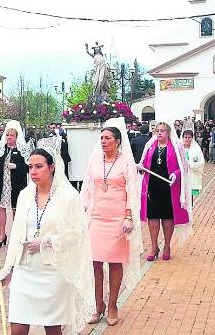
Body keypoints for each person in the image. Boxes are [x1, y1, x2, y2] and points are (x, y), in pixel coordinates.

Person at [0, 139, 95, 335]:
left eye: (39, 166)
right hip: (25, 270)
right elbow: (16, 234)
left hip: (53, 272)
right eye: (30, 167)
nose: (33, 171)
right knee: (16, 329)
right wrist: (8, 268)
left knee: (52, 329)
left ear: (52, 167)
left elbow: (77, 234)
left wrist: (46, 241)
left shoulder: (68, 197)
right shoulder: (24, 195)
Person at [81, 120, 143, 326]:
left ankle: (113, 305)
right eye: (101, 138)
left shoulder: (126, 162)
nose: (103, 141)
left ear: (117, 141)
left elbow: (132, 191)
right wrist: (83, 208)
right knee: (95, 262)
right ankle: (98, 305)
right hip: (97, 217)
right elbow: (88, 186)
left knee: (115, 262)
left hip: (118, 218)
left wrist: (128, 216)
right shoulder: (95, 161)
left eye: (107, 138)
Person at [138, 121, 192, 261]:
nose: (159, 133)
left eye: (162, 131)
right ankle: (154, 246)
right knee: (153, 217)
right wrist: (140, 167)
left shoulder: (176, 147)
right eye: (157, 130)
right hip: (152, 187)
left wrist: (176, 174)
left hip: (169, 187)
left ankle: (167, 245)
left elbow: (184, 167)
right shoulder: (149, 146)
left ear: (168, 133)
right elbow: (144, 163)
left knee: (168, 217)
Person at [0, 121, 31, 248]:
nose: (9, 137)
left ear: (17, 137)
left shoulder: (22, 150)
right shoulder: (2, 150)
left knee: (17, 210)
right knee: (1, 208)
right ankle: (2, 235)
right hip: (3, 184)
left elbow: (29, 167)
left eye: (11, 135)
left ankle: (18, 235)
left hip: (17, 184)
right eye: (7, 135)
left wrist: (16, 166)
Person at [182, 129, 205, 198]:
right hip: (182, 176)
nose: (187, 139)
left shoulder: (196, 149)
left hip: (192, 175)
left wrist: (191, 165)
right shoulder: (179, 148)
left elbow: (201, 162)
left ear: (192, 138)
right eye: (185, 137)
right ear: (182, 138)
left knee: (190, 198)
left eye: (189, 137)